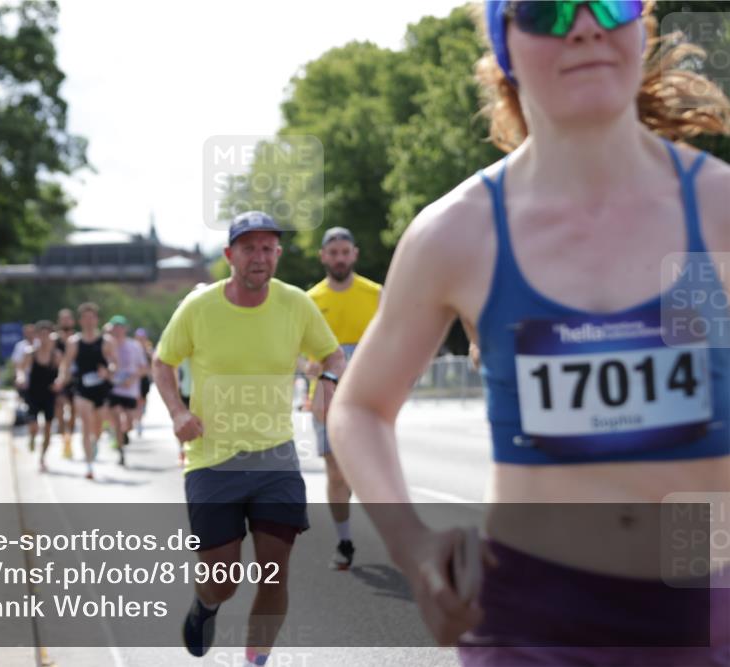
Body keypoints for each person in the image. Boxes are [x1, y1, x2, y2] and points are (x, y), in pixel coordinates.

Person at [328, 2, 730, 664]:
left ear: (640, 25)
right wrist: (412, 544)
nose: (585, 24)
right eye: (545, 9)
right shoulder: (457, 234)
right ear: (504, 49)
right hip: (530, 625)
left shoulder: (716, 210)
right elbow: (361, 406)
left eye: (610, 2)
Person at [153, 211, 345, 665]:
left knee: (274, 573)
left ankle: (254, 662)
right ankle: (207, 604)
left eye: (268, 248)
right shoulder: (198, 307)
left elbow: (332, 354)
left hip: (275, 458)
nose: (260, 257)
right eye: (249, 248)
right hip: (211, 460)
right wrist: (178, 412)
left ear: (277, 254)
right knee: (223, 579)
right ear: (229, 255)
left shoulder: (296, 303)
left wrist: (329, 382)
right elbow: (163, 363)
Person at [305, 226, 382, 570]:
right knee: (336, 472)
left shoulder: (376, 294)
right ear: (323, 256)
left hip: (368, 393)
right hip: (326, 394)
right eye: (332, 253)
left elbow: (393, 341)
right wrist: (308, 366)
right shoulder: (310, 300)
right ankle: (345, 539)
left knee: (365, 469)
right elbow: (295, 353)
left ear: (354, 255)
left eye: (344, 252)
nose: (339, 258)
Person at [54, 302, 118, 480]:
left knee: (97, 426)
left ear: (97, 319)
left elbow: (114, 363)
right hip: (82, 388)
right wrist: (60, 379)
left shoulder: (106, 341)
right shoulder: (74, 342)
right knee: (85, 424)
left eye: (92, 317)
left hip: (101, 388)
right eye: (85, 318)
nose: (89, 321)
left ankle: (96, 442)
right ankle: (89, 466)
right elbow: (65, 365)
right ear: (80, 320)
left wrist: (109, 371)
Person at [16, 320, 63, 472]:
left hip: (49, 394)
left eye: (47, 334)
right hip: (33, 394)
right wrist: (21, 377)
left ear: (51, 336)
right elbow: (21, 369)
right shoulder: (31, 353)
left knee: (48, 428)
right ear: (37, 336)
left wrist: (59, 381)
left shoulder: (55, 355)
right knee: (34, 426)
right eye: (41, 334)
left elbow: (62, 372)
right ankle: (31, 437)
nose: (44, 337)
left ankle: (42, 457)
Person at [105, 315, 149, 467]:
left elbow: (144, 368)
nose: (117, 331)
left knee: (129, 423)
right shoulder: (106, 345)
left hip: (131, 390)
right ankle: (121, 453)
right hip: (113, 389)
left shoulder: (135, 346)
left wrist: (132, 378)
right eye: (114, 328)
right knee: (117, 420)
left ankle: (121, 435)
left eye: (120, 327)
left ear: (125, 329)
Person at [54, 308, 78, 459]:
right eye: (63, 319)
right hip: (59, 379)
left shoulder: (77, 340)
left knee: (74, 411)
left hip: (75, 379)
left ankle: (69, 436)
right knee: (59, 407)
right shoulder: (54, 340)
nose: (65, 322)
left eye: (68, 319)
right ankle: (64, 438)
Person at [133, 327, 154, 438]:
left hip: (144, 379)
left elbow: (152, 365)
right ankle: (137, 420)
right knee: (136, 400)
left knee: (142, 401)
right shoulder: (132, 348)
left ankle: (139, 420)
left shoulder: (148, 350)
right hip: (134, 379)